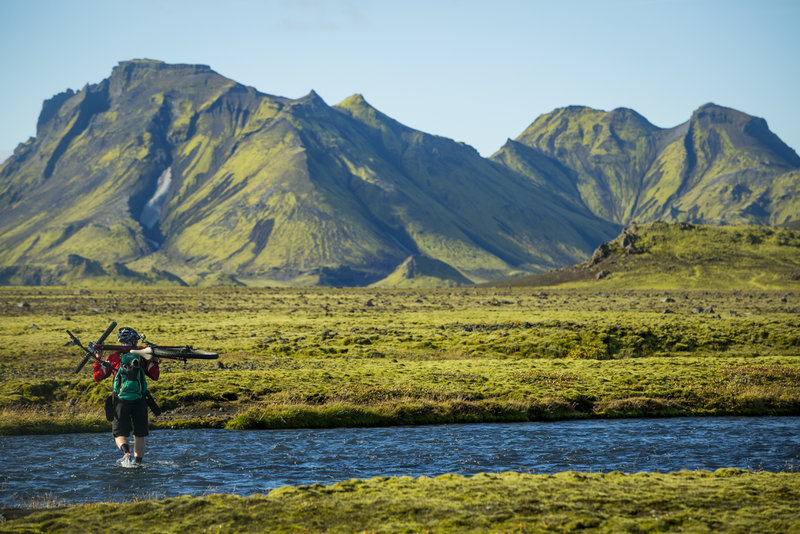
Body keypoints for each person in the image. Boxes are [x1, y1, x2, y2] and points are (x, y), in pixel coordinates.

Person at [94, 326, 159, 466]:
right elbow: (155, 376)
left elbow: (97, 377)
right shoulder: (142, 356)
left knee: (119, 434)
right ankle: (138, 463)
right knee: (139, 435)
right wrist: (155, 361)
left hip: (120, 401)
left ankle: (126, 453)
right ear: (135, 340)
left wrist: (98, 359)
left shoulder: (113, 357)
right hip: (140, 399)